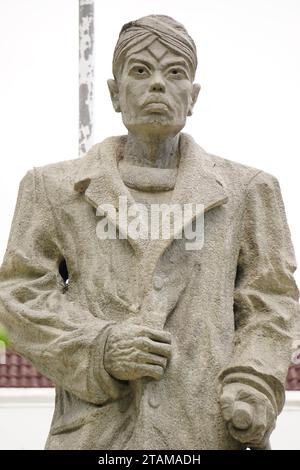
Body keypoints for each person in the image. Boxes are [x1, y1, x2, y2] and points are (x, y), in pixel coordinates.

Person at [0, 14, 299, 450]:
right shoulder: (52, 189)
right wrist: (100, 347)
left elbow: (271, 300)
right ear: (115, 92)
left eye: (174, 72)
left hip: (206, 431)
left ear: (192, 96)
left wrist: (252, 379)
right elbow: (19, 294)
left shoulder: (249, 191)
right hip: (96, 435)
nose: (157, 83)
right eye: (140, 70)